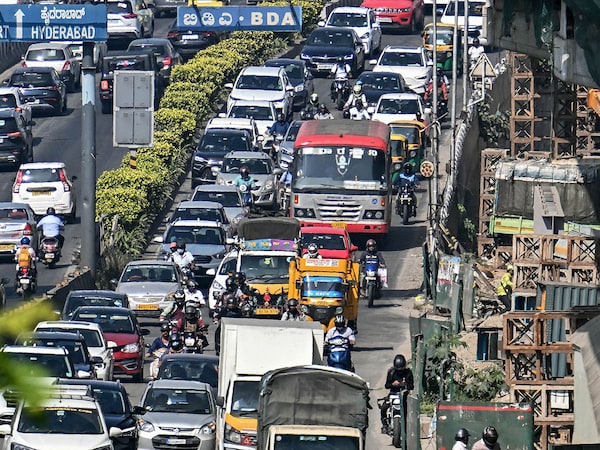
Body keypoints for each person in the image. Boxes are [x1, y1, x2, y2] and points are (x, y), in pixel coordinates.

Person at [380, 354, 414, 434]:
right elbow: (386, 385)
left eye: (401, 370)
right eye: (398, 370)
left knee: (408, 410)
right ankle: (385, 425)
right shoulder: (391, 372)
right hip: (393, 393)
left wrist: (405, 385)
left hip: (404, 395)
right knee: (383, 408)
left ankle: (406, 427)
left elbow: (411, 385)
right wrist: (393, 384)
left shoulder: (408, 372)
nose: (400, 372)